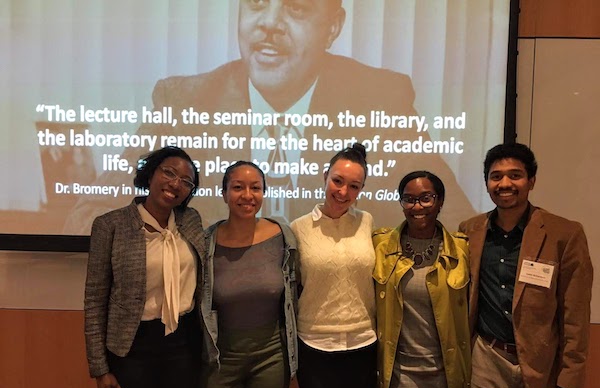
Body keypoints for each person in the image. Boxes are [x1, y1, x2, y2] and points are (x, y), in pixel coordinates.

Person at [64, 0, 475, 234]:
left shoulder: (383, 98)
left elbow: (456, 218)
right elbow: (89, 214)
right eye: (257, 5)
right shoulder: (184, 99)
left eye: (295, 9)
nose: (270, 25)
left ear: (333, 26)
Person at [459, 143, 593, 388]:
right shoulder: (469, 231)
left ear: (531, 181)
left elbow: (575, 316)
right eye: (496, 176)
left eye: (515, 175)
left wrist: (567, 385)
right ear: (487, 183)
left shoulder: (564, 234)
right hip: (487, 358)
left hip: (541, 366)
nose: (505, 183)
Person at [84, 146, 204, 388]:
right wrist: (100, 370)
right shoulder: (111, 225)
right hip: (132, 346)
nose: (176, 184)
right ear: (150, 174)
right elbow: (94, 300)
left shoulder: (191, 221)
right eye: (169, 173)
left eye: (186, 182)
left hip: (183, 344)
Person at [197, 161, 298, 388]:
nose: (247, 195)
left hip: (271, 358)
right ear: (224, 193)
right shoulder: (206, 242)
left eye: (256, 188)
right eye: (238, 187)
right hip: (220, 359)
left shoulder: (283, 236)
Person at [372, 170, 471, 388]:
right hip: (401, 374)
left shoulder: (461, 249)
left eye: (426, 198)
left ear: (440, 202)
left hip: (447, 374)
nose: (417, 206)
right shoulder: (380, 247)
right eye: (409, 199)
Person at [290, 143, 376, 388]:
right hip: (315, 346)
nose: (343, 192)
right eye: (337, 181)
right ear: (324, 176)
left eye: (354, 186)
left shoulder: (367, 222)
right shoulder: (298, 228)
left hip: (363, 343)